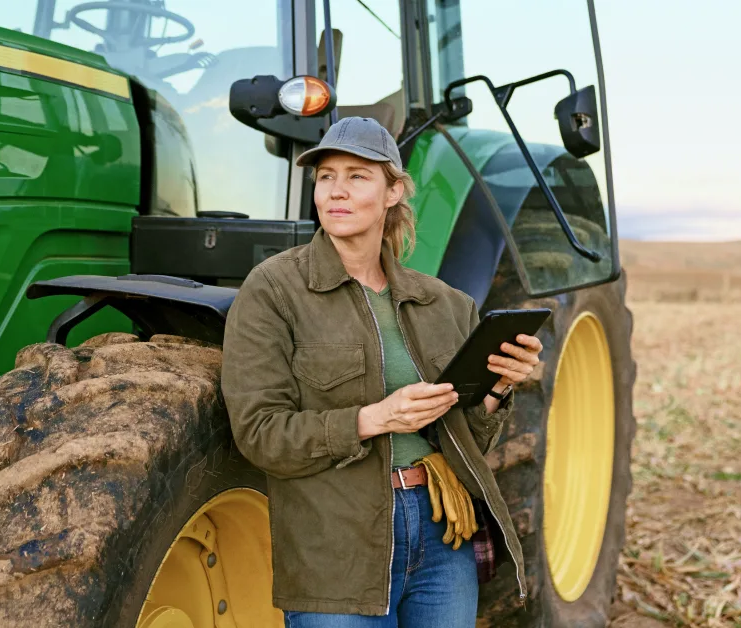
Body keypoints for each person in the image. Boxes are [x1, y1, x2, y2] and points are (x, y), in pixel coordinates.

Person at [221, 117, 542, 627]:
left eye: (357, 176)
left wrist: (498, 388)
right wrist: (374, 418)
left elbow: (463, 436)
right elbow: (260, 434)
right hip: (339, 544)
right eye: (326, 177)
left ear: (393, 191)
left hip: (442, 534)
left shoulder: (445, 303)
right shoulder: (274, 290)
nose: (336, 192)